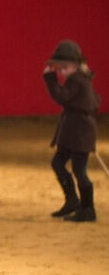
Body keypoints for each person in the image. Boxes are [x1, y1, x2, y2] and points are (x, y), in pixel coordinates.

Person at [43, 40, 100, 222]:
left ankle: (87, 208)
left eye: (64, 67)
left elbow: (61, 96)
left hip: (80, 133)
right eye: (60, 68)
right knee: (59, 163)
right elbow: (95, 101)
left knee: (78, 170)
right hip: (75, 132)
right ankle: (73, 201)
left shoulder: (77, 80)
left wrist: (50, 79)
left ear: (76, 65)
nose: (61, 71)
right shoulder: (82, 79)